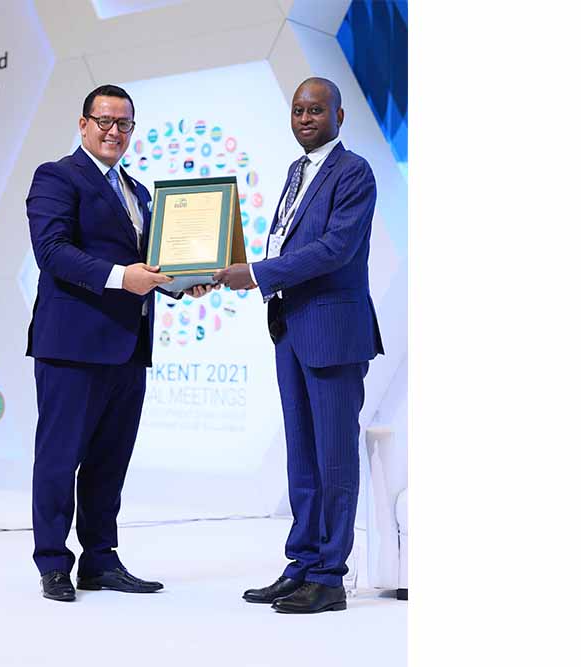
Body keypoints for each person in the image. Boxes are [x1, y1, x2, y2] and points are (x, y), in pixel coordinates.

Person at [25, 84, 206, 602]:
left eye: (123, 123)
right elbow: (52, 251)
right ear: (83, 124)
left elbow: (150, 265)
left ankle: (101, 560)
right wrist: (123, 277)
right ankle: (53, 564)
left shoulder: (139, 192)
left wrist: (181, 282)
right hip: (71, 346)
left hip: (127, 347)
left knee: (110, 461)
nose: (113, 131)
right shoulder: (57, 176)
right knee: (59, 459)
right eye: (104, 121)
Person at [213, 77, 384, 614]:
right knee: (302, 458)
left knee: (334, 459)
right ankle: (303, 564)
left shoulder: (353, 171)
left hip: (332, 332)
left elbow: (335, 249)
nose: (305, 119)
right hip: (291, 327)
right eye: (298, 110)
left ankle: (329, 577)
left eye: (316, 110)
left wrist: (257, 273)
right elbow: (288, 237)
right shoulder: (296, 171)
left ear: (339, 116)